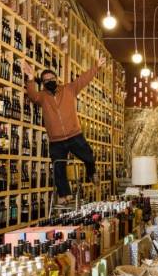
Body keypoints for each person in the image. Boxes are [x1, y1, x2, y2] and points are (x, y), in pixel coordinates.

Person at [21, 56, 106, 203]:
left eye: (51, 78)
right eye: (46, 80)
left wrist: (96, 67)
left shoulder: (69, 89)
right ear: (43, 83)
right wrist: (30, 78)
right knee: (58, 167)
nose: (49, 81)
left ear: (56, 78)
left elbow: (83, 80)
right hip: (56, 140)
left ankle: (92, 173)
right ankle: (64, 195)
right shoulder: (42, 97)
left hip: (74, 135)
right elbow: (32, 96)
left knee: (89, 156)